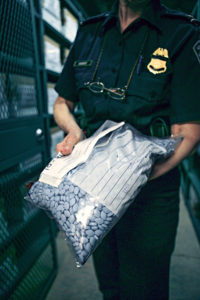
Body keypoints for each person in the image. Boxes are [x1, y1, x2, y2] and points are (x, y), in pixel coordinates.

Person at [53, 0, 200, 299]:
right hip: (94, 186)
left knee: (144, 288)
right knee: (109, 283)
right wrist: (74, 131)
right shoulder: (90, 33)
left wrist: (137, 176)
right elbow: (61, 103)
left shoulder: (180, 33)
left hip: (151, 189)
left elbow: (188, 132)